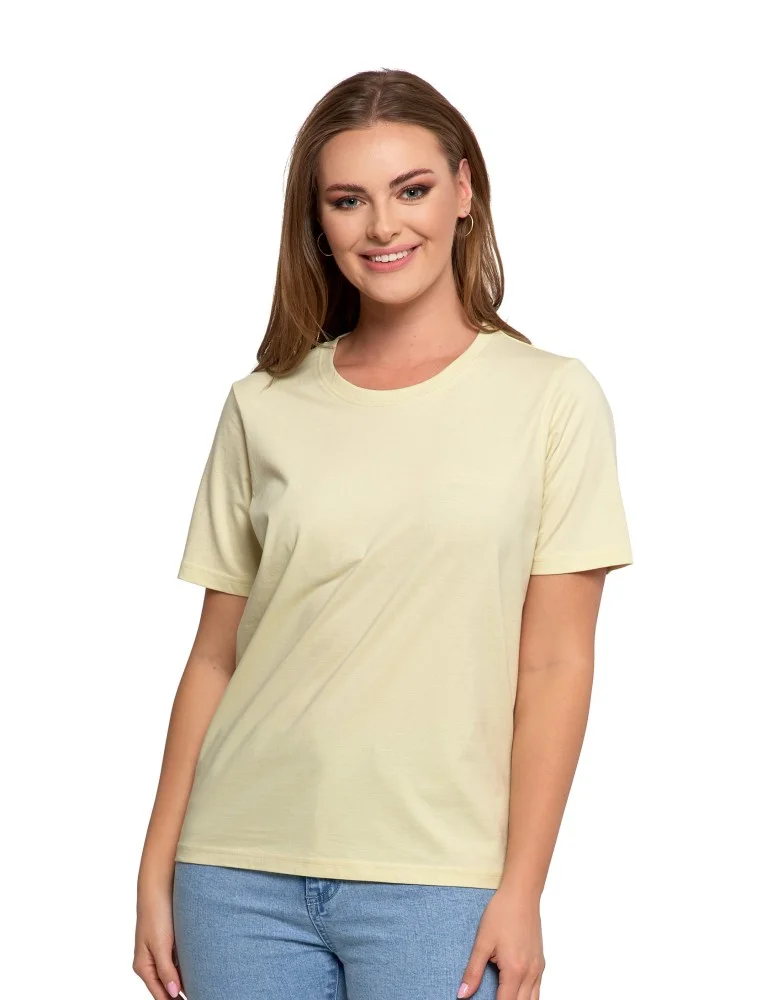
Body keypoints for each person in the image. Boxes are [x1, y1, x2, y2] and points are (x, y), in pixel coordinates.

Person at [133, 68, 633, 1000]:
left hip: (441, 880)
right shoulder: (263, 404)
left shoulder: (552, 399)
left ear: (464, 191)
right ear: (318, 221)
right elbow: (214, 658)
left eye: (412, 189)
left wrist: (523, 888)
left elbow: (556, 664)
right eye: (348, 200)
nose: (382, 226)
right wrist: (155, 868)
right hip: (235, 872)